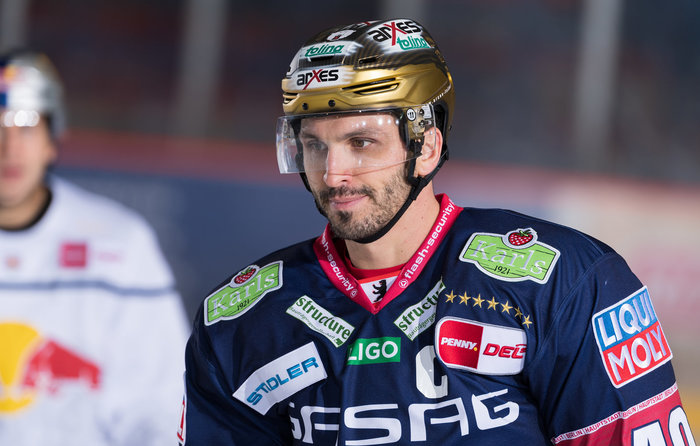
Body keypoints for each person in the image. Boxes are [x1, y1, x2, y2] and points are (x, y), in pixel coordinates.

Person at [180, 18, 696, 445]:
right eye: (315, 146)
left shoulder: (564, 281)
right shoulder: (239, 321)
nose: (334, 174)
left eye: (361, 144)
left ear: (425, 147)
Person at [0, 49, 190, 445]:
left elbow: (163, 405)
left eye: (27, 125)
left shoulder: (118, 243)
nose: (9, 146)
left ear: (52, 141)